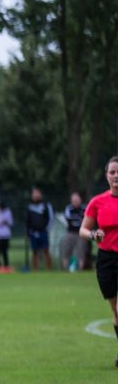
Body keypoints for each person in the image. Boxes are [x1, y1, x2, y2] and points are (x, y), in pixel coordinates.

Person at [80, 156, 118, 365]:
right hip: (105, 259)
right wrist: (94, 235)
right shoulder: (98, 201)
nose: (116, 176)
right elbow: (83, 230)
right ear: (106, 176)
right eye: (112, 172)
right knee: (115, 310)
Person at [26, 187, 55, 271]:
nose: (35, 195)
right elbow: (27, 221)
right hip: (33, 233)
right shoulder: (29, 207)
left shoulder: (46, 205)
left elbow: (51, 219)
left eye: (37, 193)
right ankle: (35, 270)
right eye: (34, 193)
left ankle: (48, 269)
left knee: (45, 250)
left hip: (43, 232)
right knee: (34, 251)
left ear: (41, 194)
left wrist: (47, 229)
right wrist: (28, 232)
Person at [61, 192, 89, 272]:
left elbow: (87, 220)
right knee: (66, 252)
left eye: (77, 199)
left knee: (81, 253)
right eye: (74, 200)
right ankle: (65, 270)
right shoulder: (68, 208)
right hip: (70, 233)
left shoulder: (84, 208)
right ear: (71, 201)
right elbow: (68, 219)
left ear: (80, 200)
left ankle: (80, 270)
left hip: (81, 234)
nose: (76, 201)